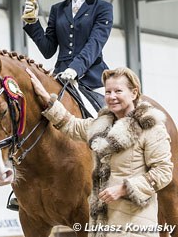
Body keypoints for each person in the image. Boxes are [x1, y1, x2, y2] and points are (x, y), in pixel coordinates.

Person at [26, 67, 173, 237]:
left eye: (118, 91)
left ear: (134, 93)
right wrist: (46, 98)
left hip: (135, 228)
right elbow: (71, 124)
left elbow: (164, 172)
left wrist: (125, 189)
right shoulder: (100, 125)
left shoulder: (151, 127)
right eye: (108, 91)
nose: (111, 96)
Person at [23, 0, 113, 93]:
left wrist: (75, 68)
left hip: (92, 78)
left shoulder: (103, 8)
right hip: (61, 76)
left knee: (109, 110)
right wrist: (32, 21)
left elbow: (94, 44)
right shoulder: (57, 9)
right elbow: (48, 50)